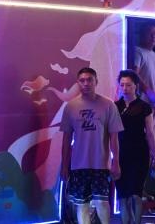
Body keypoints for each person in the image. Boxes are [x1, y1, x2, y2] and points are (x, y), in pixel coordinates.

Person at [60, 67, 123, 224]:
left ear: (96, 82)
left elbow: (114, 137)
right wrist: (65, 166)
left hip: (100, 164)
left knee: (102, 202)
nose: (86, 83)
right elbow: (66, 140)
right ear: (78, 83)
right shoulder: (70, 107)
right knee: (82, 205)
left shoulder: (108, 105)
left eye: (89, 80)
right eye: (82, 80)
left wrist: (115, 162)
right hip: (78, 165)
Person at [115, 70, 155, 224]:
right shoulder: (115, 107)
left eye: (128, 85)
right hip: (120, 153)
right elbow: (110, 134)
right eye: (122, 85)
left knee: (136, 193)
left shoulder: (144, 107)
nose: (125, 88)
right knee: (123, 195)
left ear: (136, 86)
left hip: (139, 153)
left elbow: (150, 134)